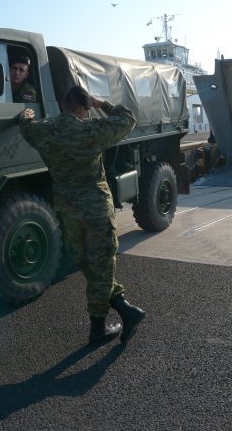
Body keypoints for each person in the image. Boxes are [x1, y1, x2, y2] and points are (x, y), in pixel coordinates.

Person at [19, 85, 146, 345]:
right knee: (101, 265)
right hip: (96, 209)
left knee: (88, 265)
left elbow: (26, 127)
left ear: (64, 105)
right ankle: (101, 327)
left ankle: (123, 310)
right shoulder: (90, 130)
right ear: (83, 108)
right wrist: (102, 104)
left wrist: (25, 116)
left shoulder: (43, 130)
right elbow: (128, 119)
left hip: (68, 210)